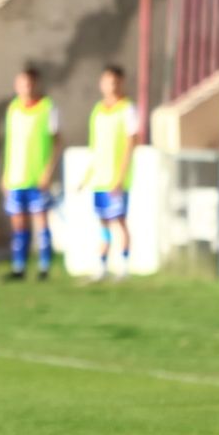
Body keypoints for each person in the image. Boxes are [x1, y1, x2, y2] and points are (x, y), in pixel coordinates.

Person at [80, 64, 140, 282]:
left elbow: (131, 143)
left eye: (114, 82)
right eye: (106, 82)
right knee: (103, 222)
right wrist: (87, 177)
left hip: (117, 179)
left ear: (121, 83)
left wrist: (121, 177)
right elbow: (96, 148)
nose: (110, 86)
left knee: (120, 221)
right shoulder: (98, 110)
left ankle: (124, 266)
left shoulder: (128, 109)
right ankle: (102, 266)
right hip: (100, 179)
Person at [1, 66, 61, 282]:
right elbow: (10, 144)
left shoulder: (47, 107)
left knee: (41, 221)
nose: (25, 88)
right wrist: (5, 174)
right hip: (16, 177)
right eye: (21, 84)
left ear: (35, 84)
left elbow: (57, 141)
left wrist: (48, 171)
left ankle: (44, 266)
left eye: (29, 83)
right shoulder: (13, 109)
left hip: (37, 178)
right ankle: (19, 267)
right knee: (18, 224)